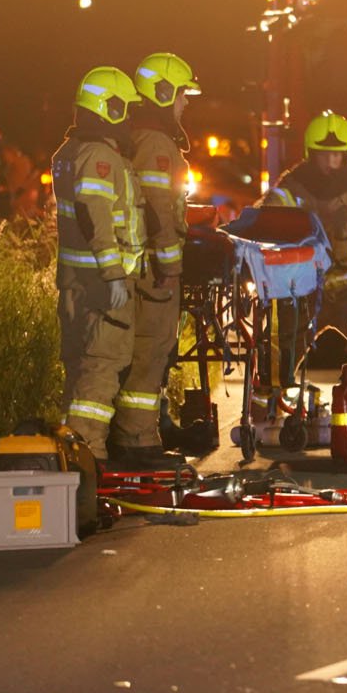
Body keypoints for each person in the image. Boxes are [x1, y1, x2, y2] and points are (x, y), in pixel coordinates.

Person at [51, 66, 145, 463]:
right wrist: (113, 273)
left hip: (76, 280)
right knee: (102, 365)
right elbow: (95, 213)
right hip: (101, 283)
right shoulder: (99, 155)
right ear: (111, 107)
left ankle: (71, 453)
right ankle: (90, 459)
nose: (129, 118)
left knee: (79, 368)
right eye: (126, 109)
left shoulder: (70, 152)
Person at [112, 52, 201, 469]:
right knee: (151, 350)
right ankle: (138, 441)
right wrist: (171, 265)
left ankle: (139, 433)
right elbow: (158, 208)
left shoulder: (141, 136)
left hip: (142, 265)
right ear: (164, 94)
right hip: (153, 270)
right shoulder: (155, 142)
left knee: (148, 351)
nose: (185, 104)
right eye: (183, 95)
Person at [262, 111, 347, 377]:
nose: (332, 161)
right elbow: (266, 218)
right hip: (307, 285)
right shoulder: (293, 185)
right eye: (324, 154)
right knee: (282, 350)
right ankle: (267, 404)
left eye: (338, 154)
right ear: (311, 153)